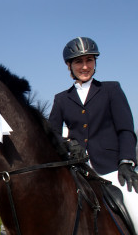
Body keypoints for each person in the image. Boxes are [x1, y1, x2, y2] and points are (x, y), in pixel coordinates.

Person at [49, 37, 138, 233]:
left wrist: (126, 162)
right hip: (78, 172)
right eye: (79, 61)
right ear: (69, 66)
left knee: (136, 208)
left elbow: (125, 129)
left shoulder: (111, 89)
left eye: (89, 60)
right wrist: (67, 144)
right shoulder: (61, 99)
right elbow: (51, 136)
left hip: (113, 169)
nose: (85, 66)